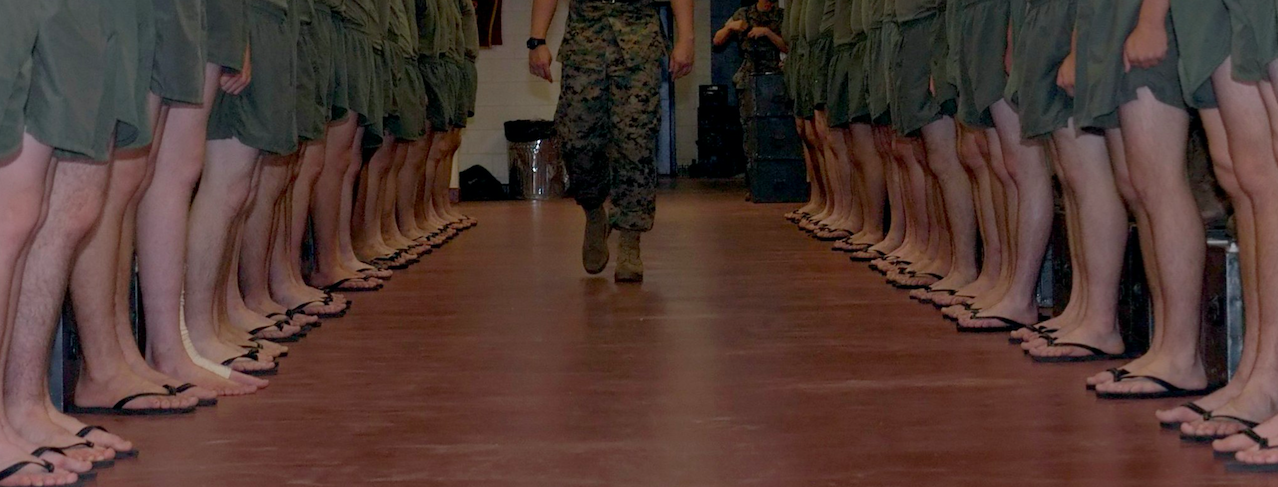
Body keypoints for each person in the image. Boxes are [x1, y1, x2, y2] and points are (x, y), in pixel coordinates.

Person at [528, 0, 695, 282]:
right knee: (576, 138)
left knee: (636, 143)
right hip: (585, 43)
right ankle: (594, 211)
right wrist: (536, 40)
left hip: (639, 42)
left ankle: (630, 240)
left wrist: (686, 37)